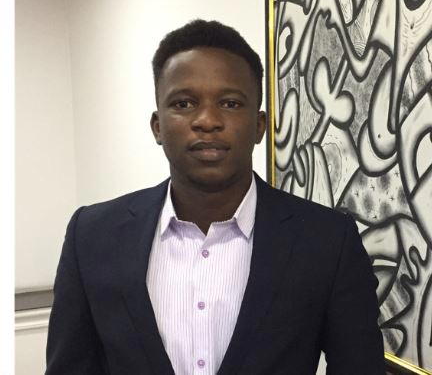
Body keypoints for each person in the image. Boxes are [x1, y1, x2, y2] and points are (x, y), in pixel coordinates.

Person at [45, 19, 384, 375]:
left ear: (259, 126)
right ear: (158, 126)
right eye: (184, 103)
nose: (207, 120)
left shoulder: (327, 241)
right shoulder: (93, 236)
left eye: (230, 103)